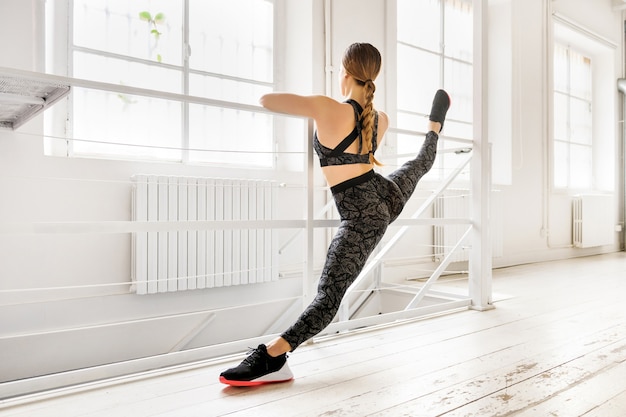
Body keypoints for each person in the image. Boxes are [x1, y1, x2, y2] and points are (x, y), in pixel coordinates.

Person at [219, 42, 450, 386]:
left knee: (328, 298)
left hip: (362, 216)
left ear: (344, 72)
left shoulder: (327, 108)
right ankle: (434, 127)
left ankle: (273, 356)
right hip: (385, 195)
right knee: (418, 165)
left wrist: (314, 103)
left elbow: (265, 101)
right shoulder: (379, 119)